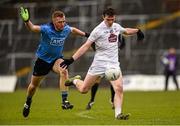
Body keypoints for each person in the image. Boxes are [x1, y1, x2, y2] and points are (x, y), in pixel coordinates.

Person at [60, 7, 144, 119]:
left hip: (113, 64)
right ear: (103, 17)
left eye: (112, 19)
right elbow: (85, 46)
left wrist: (137, 31)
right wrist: (71, 59)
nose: (110, 21)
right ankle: (74, 80)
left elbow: (125, 31)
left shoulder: (116, 26)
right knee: (84, 90)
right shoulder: (97, 30)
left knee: (119, 88)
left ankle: (118, 114)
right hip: (99, 64)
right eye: (108, 19)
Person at [20, 7, 90, 117]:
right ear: (54, 21)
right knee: (33, 86)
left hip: (56, 60)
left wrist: (87, 35)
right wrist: (26, 21)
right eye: (60, 22)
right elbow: (33, 28)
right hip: (42, 61)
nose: (63, 24)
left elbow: (73, 30)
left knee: (64, 70)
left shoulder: (66, 29)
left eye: (64, 21)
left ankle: (64, 101)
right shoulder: (47, 29)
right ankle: (28, 102)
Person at [86, 35, 125, 110]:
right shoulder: (101, 32)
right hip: (101, 62)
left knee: (113, 79)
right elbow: (92, 43)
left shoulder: (116, 31)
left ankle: (113, 100)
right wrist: (97, 49)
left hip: (111, 62)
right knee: (96, 80)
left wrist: (119, 48)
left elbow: (123, 42)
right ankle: (92, 100)